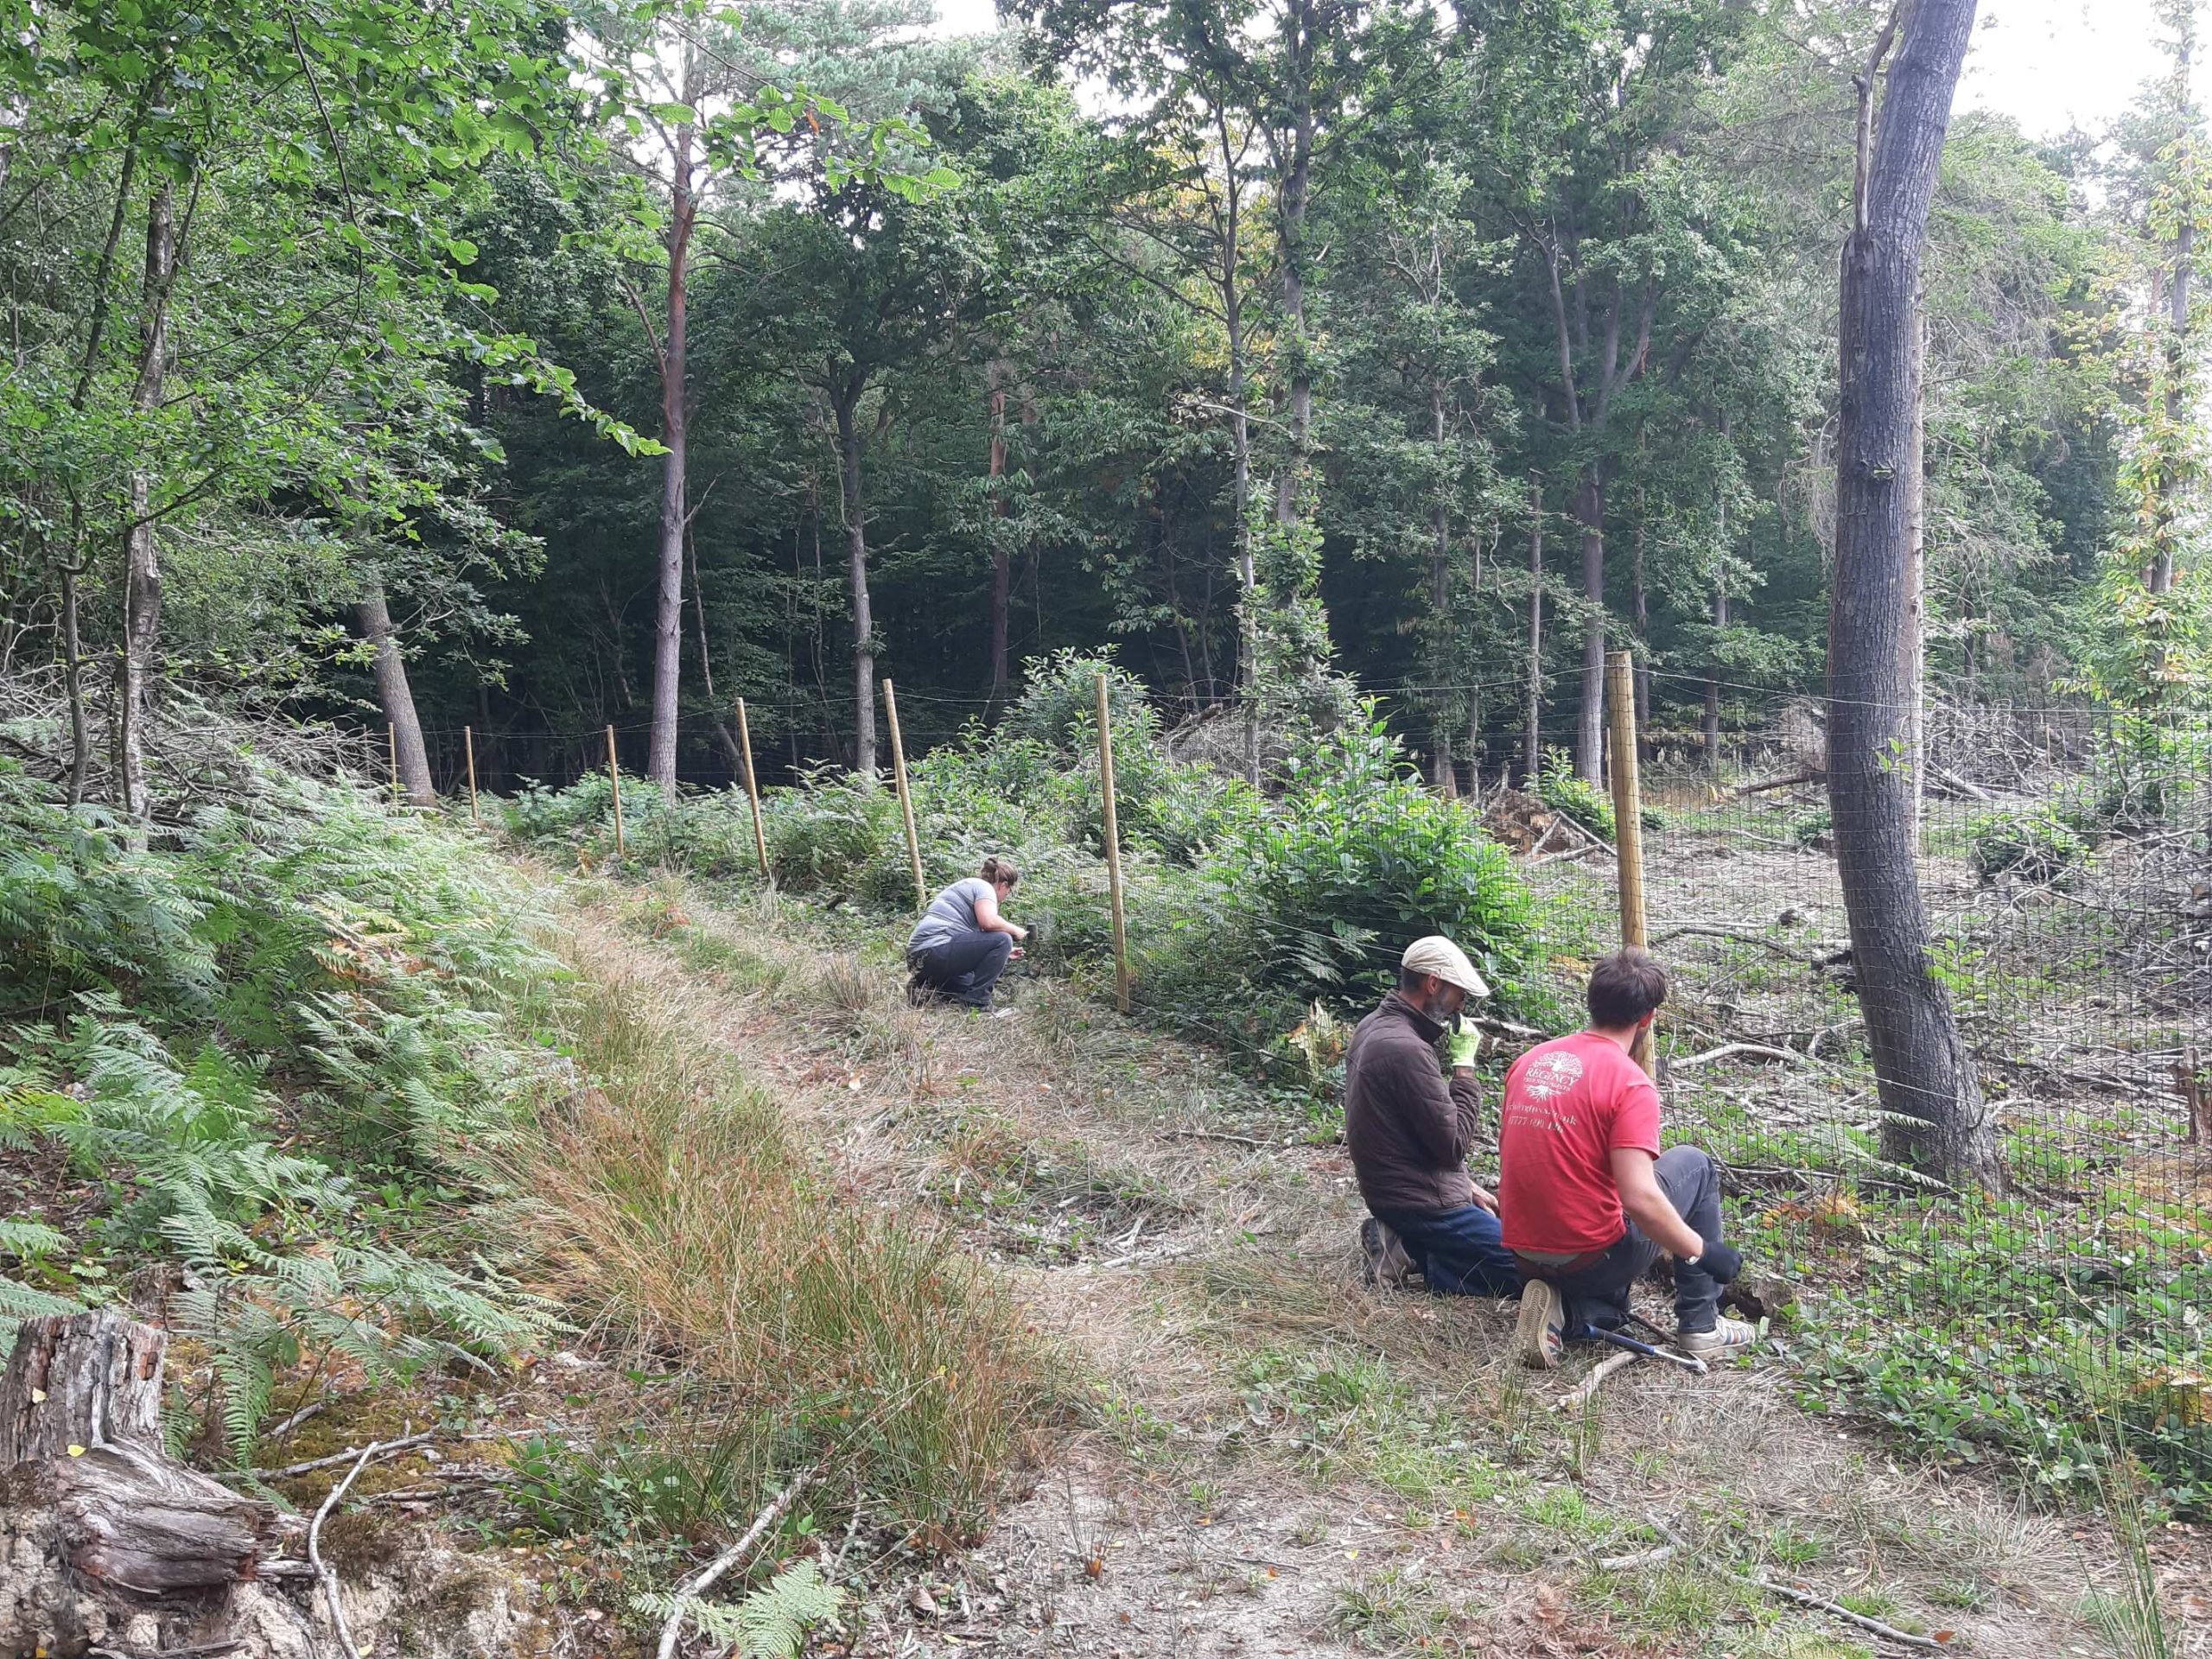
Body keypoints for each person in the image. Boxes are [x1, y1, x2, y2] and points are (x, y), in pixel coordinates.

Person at [1498, 946, 1755, 1369]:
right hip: (1590, 1260)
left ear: (1591, 1002)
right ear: (1647, 1018)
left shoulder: (1529, 1062)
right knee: (1695, 1164)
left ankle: (1562, 1312)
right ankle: (1701, 1325)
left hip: (1524, 1256)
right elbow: (1638, 1196)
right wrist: (1702, 1251)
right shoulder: (1630, 1084)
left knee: (1616, 1311)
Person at [1345, 936, 1522, 1299]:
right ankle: (1412, 1250)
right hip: (1421, 1204)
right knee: (1529, 1270)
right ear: (1433, 984)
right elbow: (1452, 1145)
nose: (1461, 1005)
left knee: (1513, 1234)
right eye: (1459, 993)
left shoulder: (1373, 1027)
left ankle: (1402, 1241)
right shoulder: (1406, 1049)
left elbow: (1407, 1131)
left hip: (1399, 1193)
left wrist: (1465, 1186)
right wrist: (1465, 1070)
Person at [906, 855, 1026, 1012]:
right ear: (1003, 885)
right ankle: (977, 1003)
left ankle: (925, 985)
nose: (1004, 898)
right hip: (936, 948)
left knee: (969, 983)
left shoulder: (968, 886)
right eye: (1008, 892)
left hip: (919, 957)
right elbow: (988, 922)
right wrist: (1015, 931)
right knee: (1003, 939)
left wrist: (1002, 953)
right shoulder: (985, 888)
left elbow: (971, 942)